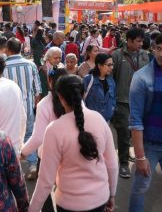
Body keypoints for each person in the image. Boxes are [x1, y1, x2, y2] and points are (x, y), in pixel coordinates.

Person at [29, 75, 118, 212]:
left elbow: (46, 180)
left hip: (68, 204)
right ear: (83, 93)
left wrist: (33, 209)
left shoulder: (54, 129)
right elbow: (112, 164)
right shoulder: (99, 119)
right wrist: (112, 194)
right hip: (100, 199)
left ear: (60, 97)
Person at [21, 67, 67, 212]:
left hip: (47, 155)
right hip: (70, 154)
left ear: (49, 81)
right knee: (66, 191)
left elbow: (38, 138)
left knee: (44, 191)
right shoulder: (76, 102)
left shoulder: (44, 104)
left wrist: (22, 153)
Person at [128, 35, 162, 212]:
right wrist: (140, 157)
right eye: (160, 48)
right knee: (140, 188)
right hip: (149, 143)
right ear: (154, 49)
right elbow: (135, 119)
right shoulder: (141, 77)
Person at [111, 28, 149, 178]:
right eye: (138, 41)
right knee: (124, 134)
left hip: (142, 101)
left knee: (138, 132)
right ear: (129, 41)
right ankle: (124, 164)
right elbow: (111, 79)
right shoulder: (116, 55)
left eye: (142, 41)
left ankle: (129, 154)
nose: (141, 44)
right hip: (123, 101)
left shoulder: (145, 55)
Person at [3, 38, 41, 179]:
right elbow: (38, 90)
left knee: (10, 136)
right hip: (28, 106)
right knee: (29, 135)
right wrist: (34, 106)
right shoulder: (30, 65)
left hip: (9, 108)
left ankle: (13, 168)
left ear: (8, 49)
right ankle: (32, 165)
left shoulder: (3, 66)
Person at [83, 53, 116, 122]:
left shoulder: (111, 81)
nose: (112, 67)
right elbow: (81, 100)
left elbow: (113, 99)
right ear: (99, 65)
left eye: (112, 64)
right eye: (109, 65)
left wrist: (111, 110)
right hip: (90, 121)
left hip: (106, 121)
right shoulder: (88, 80)